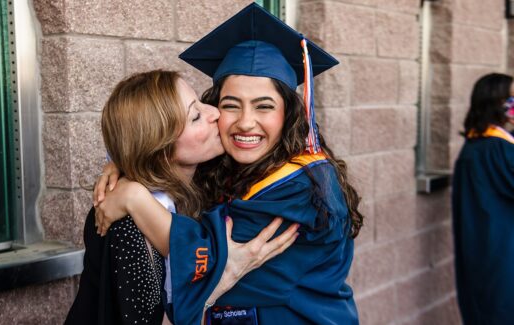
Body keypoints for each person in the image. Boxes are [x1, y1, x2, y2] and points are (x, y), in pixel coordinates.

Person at [94, 3, 363, 324]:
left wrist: (134, 197)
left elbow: (208, 254)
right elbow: (160, 143)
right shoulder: (234, 163)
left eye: (264, 107)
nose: (245, 123)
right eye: (231, 105)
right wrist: (122, 166)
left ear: (289, 114)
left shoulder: (300, 186)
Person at [65, 70, 299, 325]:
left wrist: (118, 169)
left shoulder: (203, 181)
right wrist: (224, 276)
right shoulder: (128, 226)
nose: (215, 113)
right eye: (196, 116)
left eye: (200, 102)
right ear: (161, 148)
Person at [452, 73, 514, 325]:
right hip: (499, 254)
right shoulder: (495, 148)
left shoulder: (479, 145)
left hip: (486, 248)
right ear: (497, 102)